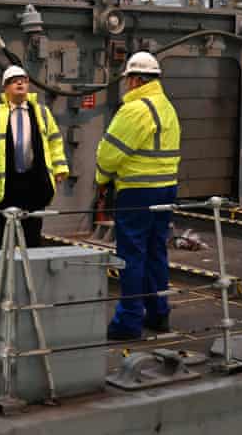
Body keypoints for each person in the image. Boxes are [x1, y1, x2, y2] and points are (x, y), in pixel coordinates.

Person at [95, 52, 181, 341]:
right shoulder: (166, 106)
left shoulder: (134, 109)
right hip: (166, 190)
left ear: (134, 79)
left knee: (131, 256)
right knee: (156, 252)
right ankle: (158, 313)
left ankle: (128, 322)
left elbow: (109, 153)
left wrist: (101, 181)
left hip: (137, 192)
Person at [0, 65, 69, 248]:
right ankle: (5, 274)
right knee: (6, 237)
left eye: (23, 79)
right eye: (14, 80)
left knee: (32, 236)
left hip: (35, 183)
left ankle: (28, 274)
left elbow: (55, 141)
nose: (20, 83)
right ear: (5, 88)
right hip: (8, 185)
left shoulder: (42, 113)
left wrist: (60, 168)